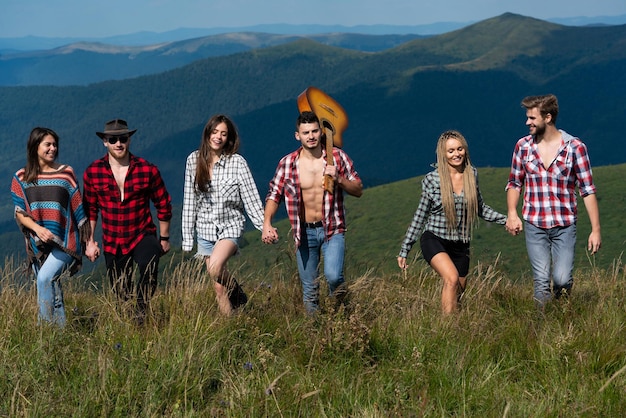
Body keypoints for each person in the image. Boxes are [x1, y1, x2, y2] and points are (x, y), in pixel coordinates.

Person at [505, 94, 601, 308]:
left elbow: (587, 189)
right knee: (541, 282)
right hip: (534, 223)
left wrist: (595, 230)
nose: (527, 122)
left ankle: (561, 317)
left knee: (562, 280)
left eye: (532, 118)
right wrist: (512, 213)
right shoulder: (523, 146)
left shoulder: (575, 147)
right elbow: (514, 182)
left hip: (564, 224)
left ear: (547, 117)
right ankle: (543, 331)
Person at [262, 111, 363, 314]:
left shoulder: (337, 157)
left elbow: (358, 189)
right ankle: (315, 336)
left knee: (334, 276)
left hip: (332, 229)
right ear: (297, 136)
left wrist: (340, 180)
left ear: (321, 132)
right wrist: (267, 223)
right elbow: (274, 194)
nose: (311, 136)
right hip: (304, 232)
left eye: (315, 131)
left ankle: (345, 314)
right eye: (306, 132)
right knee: (310, 289)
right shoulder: (288, 163)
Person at [397, 130, 507, 314]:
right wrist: (405, 249)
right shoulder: (432, 180)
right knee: (451, 278)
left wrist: (506, 220)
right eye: (451, 151)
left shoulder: (471, 174)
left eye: (459, 149)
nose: (456, 154)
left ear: (465, 150)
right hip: (435, 239)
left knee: (459, 294)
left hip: (461, 244)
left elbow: (480, 208)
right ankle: (446, 331)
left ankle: (455, 330)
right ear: (443, 154)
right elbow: (420, 215)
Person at [83, 118, 172, 323]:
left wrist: (164, 237)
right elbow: (91, 211)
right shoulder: (93, 172)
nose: (118, 143)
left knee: (149, 267)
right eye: (113, 139)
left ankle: (142, 309)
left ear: (129, 139)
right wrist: (89, 242)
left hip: (142, 232)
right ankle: (131, 324)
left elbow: (163, 204)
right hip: (113, 240)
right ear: (105, 141)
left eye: (122, 138)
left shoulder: (147, 170)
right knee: (121, 293)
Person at [182, 114, 265, 316]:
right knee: (219, 287)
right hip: (204, 229)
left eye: (223, 134)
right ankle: (230, 327)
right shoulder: (193, 160)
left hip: (230, 225)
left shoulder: (237, 163)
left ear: (229, 138)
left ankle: (237, 293)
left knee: (215, 269)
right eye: (215, 132)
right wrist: (187, 237)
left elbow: (251, 197)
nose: (218, 137)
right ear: (207, 134)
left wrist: (265, 226)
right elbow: (189, 200)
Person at [11, 127, 89, 327]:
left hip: (66, 241)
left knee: (45, 279)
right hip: (38, 244)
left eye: (55, 145)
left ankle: (43, 329)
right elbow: (20, 213)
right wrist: (38, 230)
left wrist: (88, 241)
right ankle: (59, 338)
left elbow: (78, 209)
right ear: (35, 146)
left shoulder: (66, 174)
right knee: (54, 291)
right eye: (48, 144)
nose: (52, 148)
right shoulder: (21, 177)